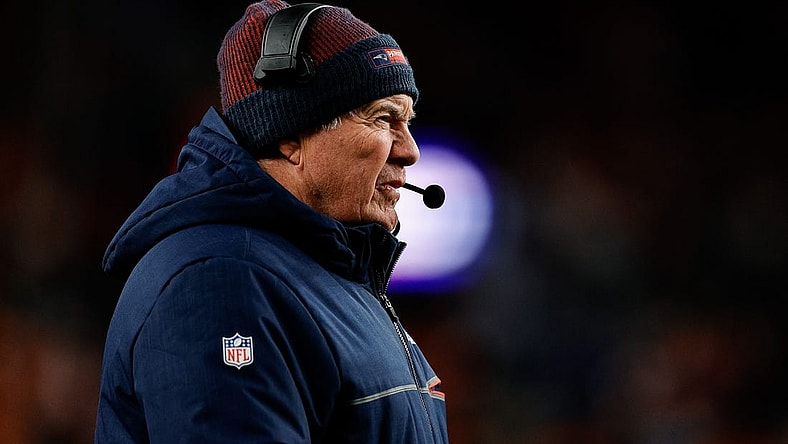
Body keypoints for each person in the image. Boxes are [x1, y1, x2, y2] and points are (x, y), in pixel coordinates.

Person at [93, 1, 449, 442]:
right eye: (383, 119)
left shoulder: (327, 278)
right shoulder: (220, 281)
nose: (410, 150)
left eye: (407, 121)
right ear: (289, 137)